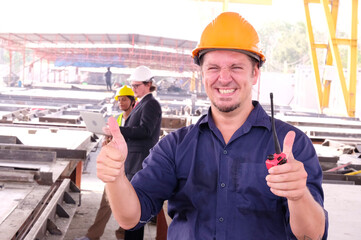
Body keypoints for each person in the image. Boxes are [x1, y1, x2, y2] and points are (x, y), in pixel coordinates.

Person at [97, 12, 328, 240]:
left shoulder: (293, 145)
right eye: (214, 68)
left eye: (236, 67)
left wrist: (298, 196)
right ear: (202, 73)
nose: (224, 78)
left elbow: (312, 235)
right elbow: (129, 218)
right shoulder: (175, 147)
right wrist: (116, 178)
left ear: (255, 72)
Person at [75, 85, 137, 240]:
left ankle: (122, 235)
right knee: (106, 202)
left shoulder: (136, 119)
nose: (121, 102)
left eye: (124, 99)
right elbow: (111, 138)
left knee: (126, 205)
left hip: (132, 166)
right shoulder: (117, 119)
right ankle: (92, 235)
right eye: (119, 99)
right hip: (115, 167)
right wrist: (106, 140)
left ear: (132, 101)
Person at [111, 65, 162, 239]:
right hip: (134, 161)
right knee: (131, 208)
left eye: (136, 86)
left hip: (139, 162)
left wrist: (119, 131)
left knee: (135, 208)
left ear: (148, 84)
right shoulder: (143, 104)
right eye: (132, 86)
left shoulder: (151, 104)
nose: (134, 90)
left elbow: (145, 131)